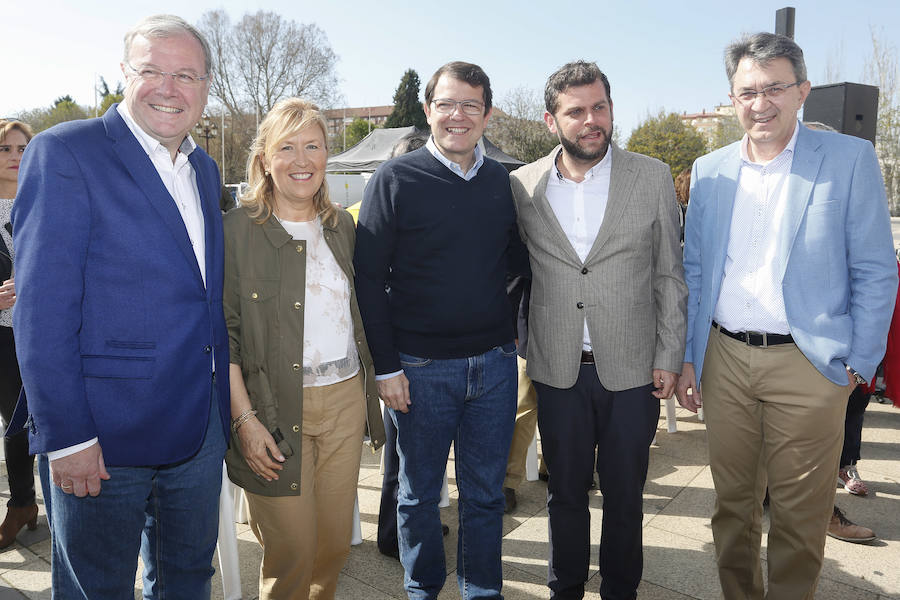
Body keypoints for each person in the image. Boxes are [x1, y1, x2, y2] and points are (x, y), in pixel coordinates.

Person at [11, 14, 230, 598]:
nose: (169, 88)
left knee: (187, 577)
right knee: (97, 587)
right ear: (123, 76)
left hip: (199, 428)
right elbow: (42, 311)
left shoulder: (204, 169)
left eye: (186, 74)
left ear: (206, 87)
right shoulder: (66, 152)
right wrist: (67, 437)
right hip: (103, 435)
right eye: (151, 70)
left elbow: (203, 297)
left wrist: (222, 417)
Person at [675, 33, 897, 599]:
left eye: (774, 87)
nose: (760, 102)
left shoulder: (849, 159)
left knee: (801, 520)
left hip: (811, 365)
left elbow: (876, 267)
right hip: (724, 358)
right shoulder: (710, 170)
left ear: (802, 91)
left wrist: (859, 365)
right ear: (732, 97)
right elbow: (695, 270)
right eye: (747, 91)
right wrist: (688, 358)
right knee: (732, 511)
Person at [509, 60, 687, 600]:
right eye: (577, 110)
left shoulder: (651, 175)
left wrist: (670, 354)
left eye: (600, 107)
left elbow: (669, 275)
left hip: (634, 370)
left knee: (626, 496)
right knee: (563, 493)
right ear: (550, 120)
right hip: (559, 369)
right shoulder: (523, 185)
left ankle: (620, 590)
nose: (592, 120)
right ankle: (564, 587)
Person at [354, 61, 526, 599]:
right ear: (427, 110)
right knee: (417, 496)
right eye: (446, 104)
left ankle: (482, 591)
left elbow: (520, 263)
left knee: (484, 497)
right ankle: (422, 588)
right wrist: (387, 367)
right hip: (419, 372)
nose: (458, 115)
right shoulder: (394, 178)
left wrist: (513, 334)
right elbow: (368, 280)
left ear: (487, 114)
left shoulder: (502, 181)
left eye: (470, 105)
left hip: (494, 370)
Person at [224, 97, 385, 599]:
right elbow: (223, 335)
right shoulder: (235, 232)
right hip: (270, 407)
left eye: (312, 145)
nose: (301, 159)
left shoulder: (344, 228)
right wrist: (244, 421)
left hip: (343, 400)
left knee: (334, 546)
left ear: (326, 155)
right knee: (292, 551)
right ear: (264, 160)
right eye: (286, 146)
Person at [0, 119, 37, 549]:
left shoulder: (43, 199)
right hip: (2, 333)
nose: (14, 158)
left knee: (47, 414)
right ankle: (22, 503)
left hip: (46, 329)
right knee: (13, 421)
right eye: (6, 149)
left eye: (22, 149)